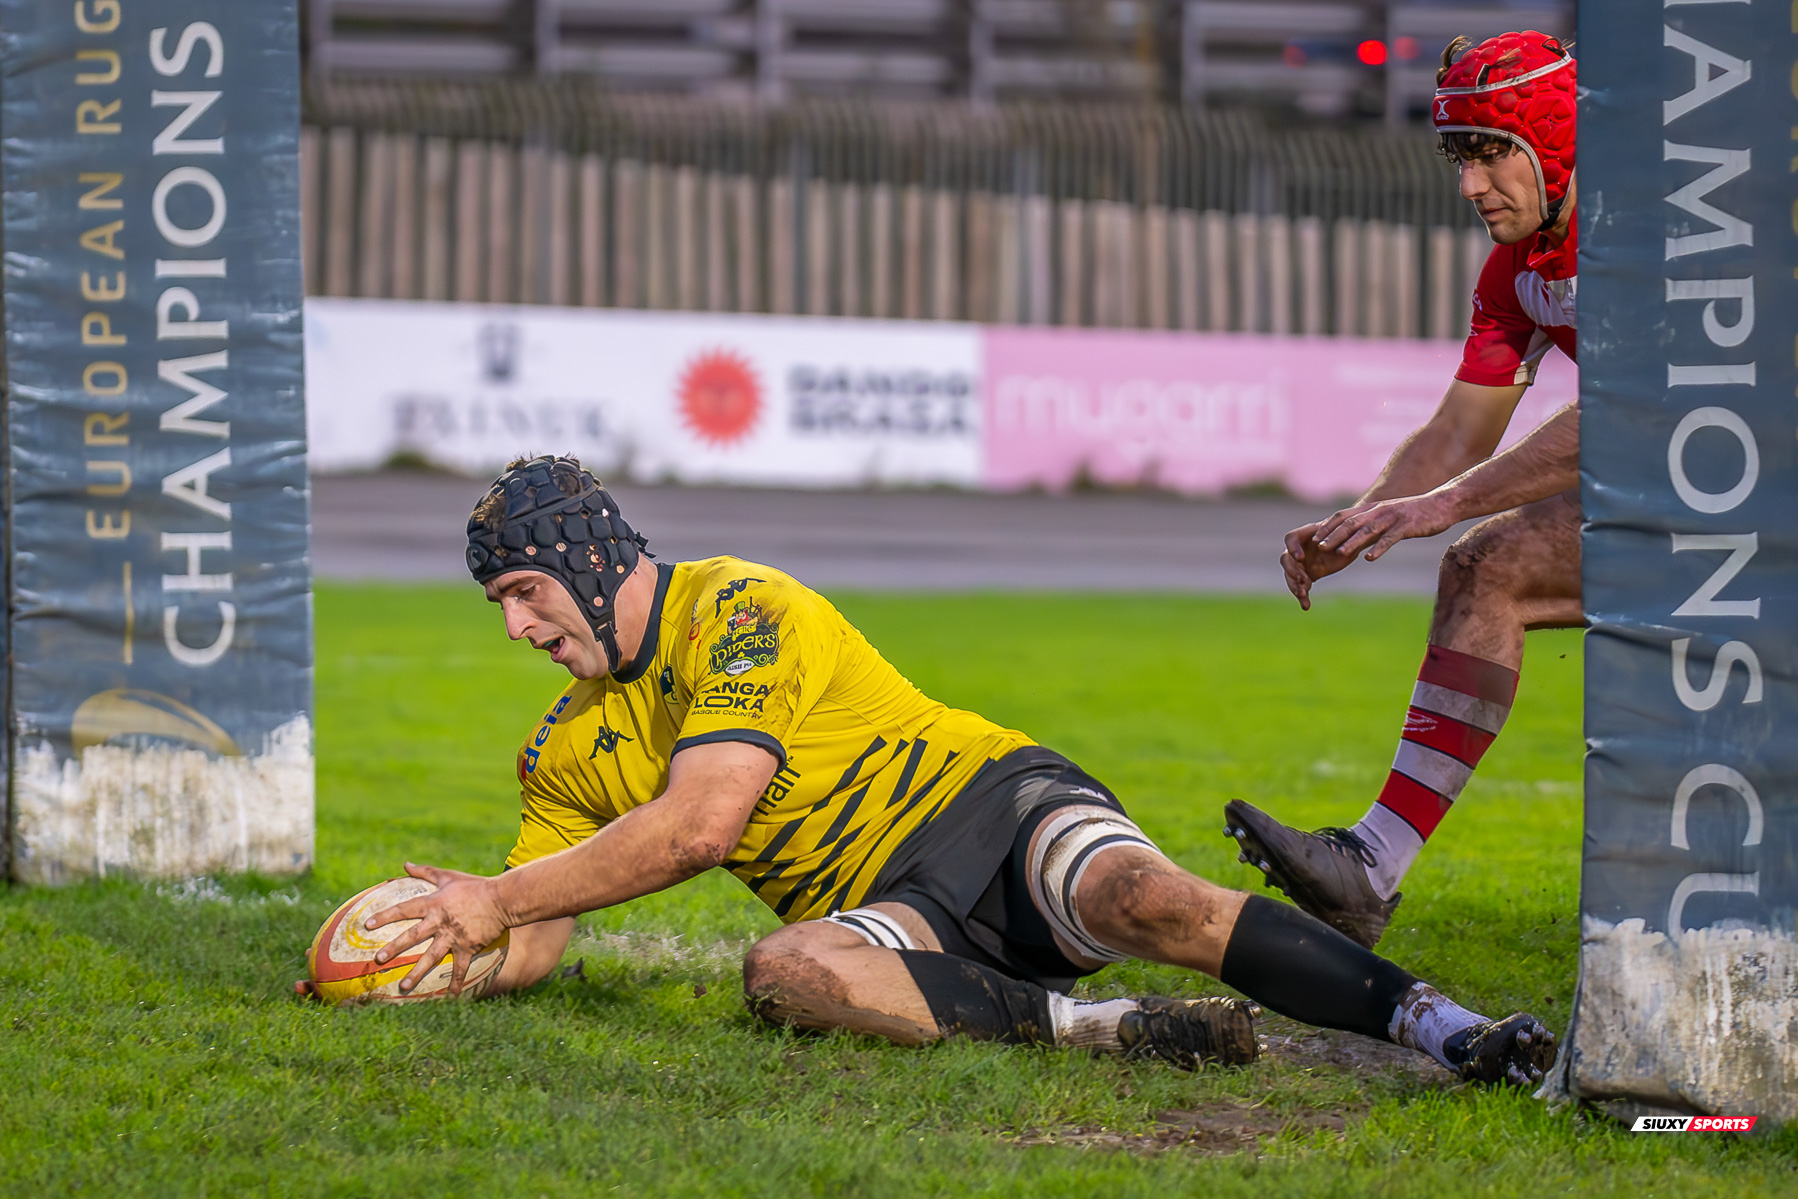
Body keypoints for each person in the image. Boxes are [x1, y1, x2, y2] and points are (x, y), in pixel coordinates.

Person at [364, 454, 1555, 1085]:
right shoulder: (563, 749)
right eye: (499, 604)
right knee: (786, 968)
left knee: (1146, 899)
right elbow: (530, 925)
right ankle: (1112, 1032)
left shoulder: (739, 607)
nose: (516, 627)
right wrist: (433, 953)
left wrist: (497, 898)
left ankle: (1443, 1026)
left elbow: (699, 828)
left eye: (522, 592)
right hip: (899, 911)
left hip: (988, 801)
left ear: (583, 556)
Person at [1228, 32, 1580, 950]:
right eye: (1460, 158)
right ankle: (1369, 868)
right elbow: (1461, 432)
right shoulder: (1519, 271)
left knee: (1481, 547)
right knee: (1489, 565)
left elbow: (1632, 417)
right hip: (1715, 493)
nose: (1470, 186)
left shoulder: (1647, 240)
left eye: (1492, 152)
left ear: (1556, 136)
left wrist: (1443, 502)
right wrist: (1362, 518)